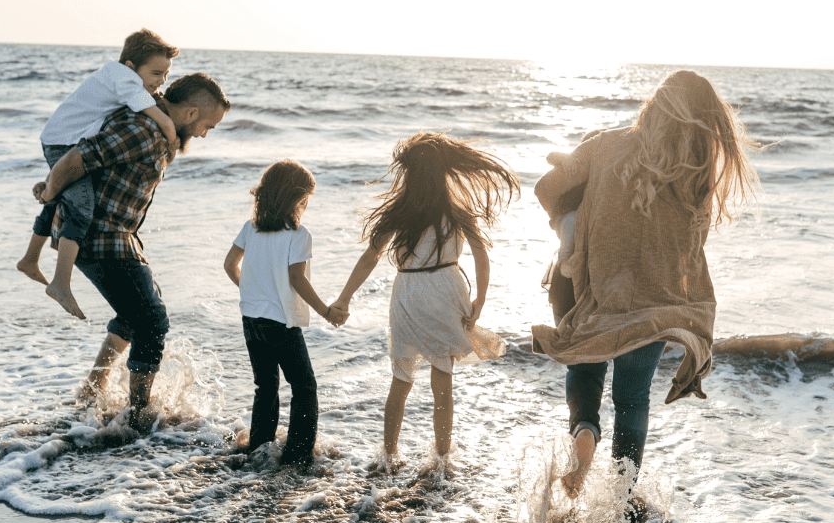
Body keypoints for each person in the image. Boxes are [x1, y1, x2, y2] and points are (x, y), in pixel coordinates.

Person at [530, 70, 760, 500]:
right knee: (632, 400)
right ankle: (619, 501)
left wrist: (572, 219)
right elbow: (693, 244)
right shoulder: (694, 175)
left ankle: (583, 434)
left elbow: (547, 187)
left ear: (654, 105)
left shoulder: (603, 145)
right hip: (655, 305)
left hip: (596, 291)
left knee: (586, 368)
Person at [32, 71, 230, 434]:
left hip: (119, 236)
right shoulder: (144, 131)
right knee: (152, 321)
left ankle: (91, 390)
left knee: (136, 311)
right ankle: (139, 416)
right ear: (189, 114)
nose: (204, 133)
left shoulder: (158, 131)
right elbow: (79, 158)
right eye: (208, 125)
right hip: (99, 237)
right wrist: (49, 192)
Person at [330, 133, 517, 470]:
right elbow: (480, 255)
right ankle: (443, 459)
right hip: (446, 288)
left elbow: (370, 258)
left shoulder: (399, 211)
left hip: (408, 294)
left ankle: (388, 455)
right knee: (442, 381)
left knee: (401, 380)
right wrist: (481, 298)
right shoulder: (458, 210)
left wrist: (344, 299)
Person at [18, 28, 182, 320]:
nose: (161, 83)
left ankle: (30, 259)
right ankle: (60, 283)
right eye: (156, 74)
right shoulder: (125, 79)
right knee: (81, 209)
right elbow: (159, 118)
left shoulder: (117, 77)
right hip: (63, 143)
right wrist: (171, 138)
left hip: (62, 138)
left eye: (166, 75)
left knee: (59, 199)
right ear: (131, 67)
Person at [222, 160, 345, 466]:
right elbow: (297, 278)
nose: (306, 207)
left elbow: (229, 265)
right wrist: (326, 311)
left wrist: (251, 291)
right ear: (296, 199)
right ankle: (299, 453)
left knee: (266, 386)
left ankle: (259, 449)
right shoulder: (298, 235)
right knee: (304, 387)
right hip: (281, 323)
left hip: (251, 318)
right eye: (305, 201)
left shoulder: (250, 228)